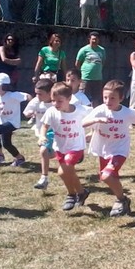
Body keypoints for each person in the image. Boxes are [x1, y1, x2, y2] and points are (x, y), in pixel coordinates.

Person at [83, 80, 135, 217]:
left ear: (121, 98)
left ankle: (121, 200)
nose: (108, 101)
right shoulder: (100, 110)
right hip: (103, 149)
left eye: (112, 98)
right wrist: (95, 123)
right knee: (106, 177)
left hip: (120, 150)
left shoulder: (127, 113)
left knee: (107, 175)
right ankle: (123, 201)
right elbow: (83, 123)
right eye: (105, 97)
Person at [39, 82, 90, 211]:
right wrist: (42, 136)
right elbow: (44, 126)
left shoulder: (81, 110)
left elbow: (96, 116)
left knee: (63, 171)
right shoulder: (51, 112)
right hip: (60, 147)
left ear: (69, 99)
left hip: (76, 147)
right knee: (68, 173)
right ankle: (81, 192)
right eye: (53, 101)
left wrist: (93, 132)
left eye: (59, 101)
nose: (56, 104)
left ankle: (71, 194)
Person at [23, 78, 55, 190]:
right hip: (41, 131)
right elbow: (26, 113)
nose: (37, 96)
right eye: (36, 93)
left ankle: (44, 178)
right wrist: (30, 113)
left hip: (55, 131)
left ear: (50, 93)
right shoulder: (36, 101)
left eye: (40, 94)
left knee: (43, 151)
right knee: (48, 154)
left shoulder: (57, 102)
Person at [75, 31, 106, 107]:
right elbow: (77, 64)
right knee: (84, 99)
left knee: (96, 99)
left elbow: (103, 62)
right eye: (93, 39)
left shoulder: (102, 50)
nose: (94, 41)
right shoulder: (84, 50)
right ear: (89, 39)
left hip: (97, 79)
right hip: (85, 78)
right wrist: (84, 72)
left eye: (96, 39)